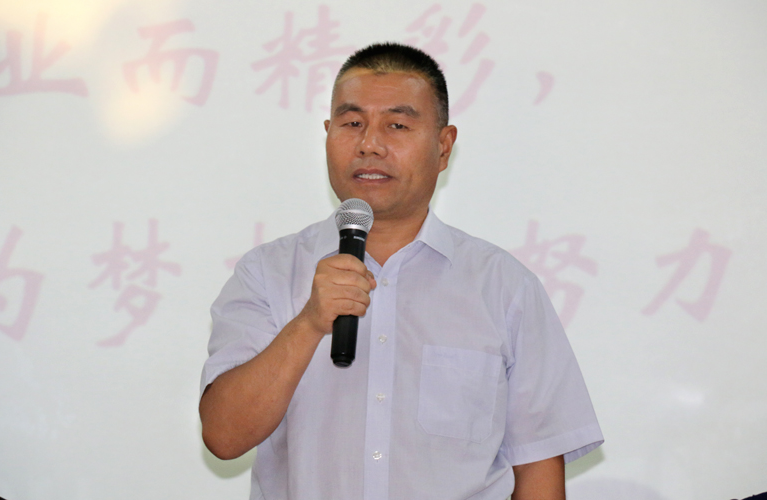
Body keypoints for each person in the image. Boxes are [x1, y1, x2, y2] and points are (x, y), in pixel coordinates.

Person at [199, 42, 603, 500]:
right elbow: (223, 438)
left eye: (397, 125)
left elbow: (538, 471)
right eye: (352, 124)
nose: (370, 144)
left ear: (443, 146)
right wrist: (309, 322)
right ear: (328, 134)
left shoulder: (504, 287)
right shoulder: (266, 273)